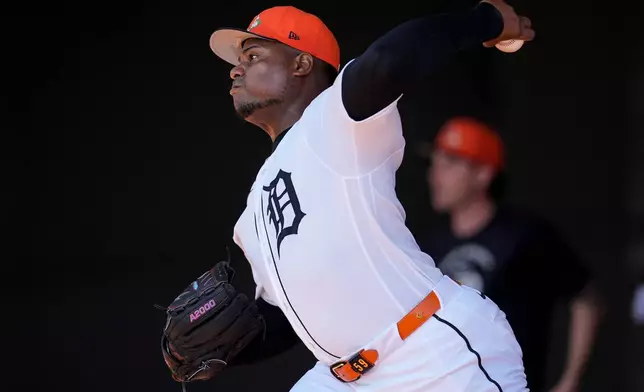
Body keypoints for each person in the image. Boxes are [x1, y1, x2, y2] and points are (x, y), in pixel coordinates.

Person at [203, 2, 534, 391]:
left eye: (253, 55)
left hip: (431, 352)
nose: (235, 69)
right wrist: (218, 350)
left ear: (302, 65)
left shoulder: (334, 120)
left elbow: (388, 61)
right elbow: (286, 319)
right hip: (345, 377)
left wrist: (488, 19)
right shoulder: (254, 209)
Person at [415, 117, 605, 392]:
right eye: (435, 164)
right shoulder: (428, 245)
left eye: (450, 163)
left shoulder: (525, 235)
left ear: (484, 174)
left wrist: (570, 379)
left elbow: (587, 300)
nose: (435, 174)